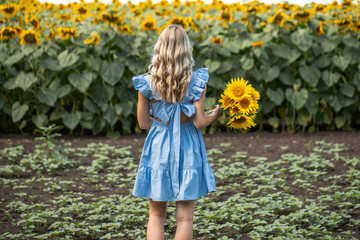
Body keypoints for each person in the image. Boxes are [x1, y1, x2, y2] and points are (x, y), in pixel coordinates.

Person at [131, 24, 222, 240]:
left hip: (159, 144)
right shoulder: (197, 80)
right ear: (186, 50)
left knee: (156, 214)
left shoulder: (147, 83)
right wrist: (216, 115)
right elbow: (199, 121)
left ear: (159, 49)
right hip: (188, 145)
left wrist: (164, 126)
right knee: (185, 218)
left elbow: (143, 123)